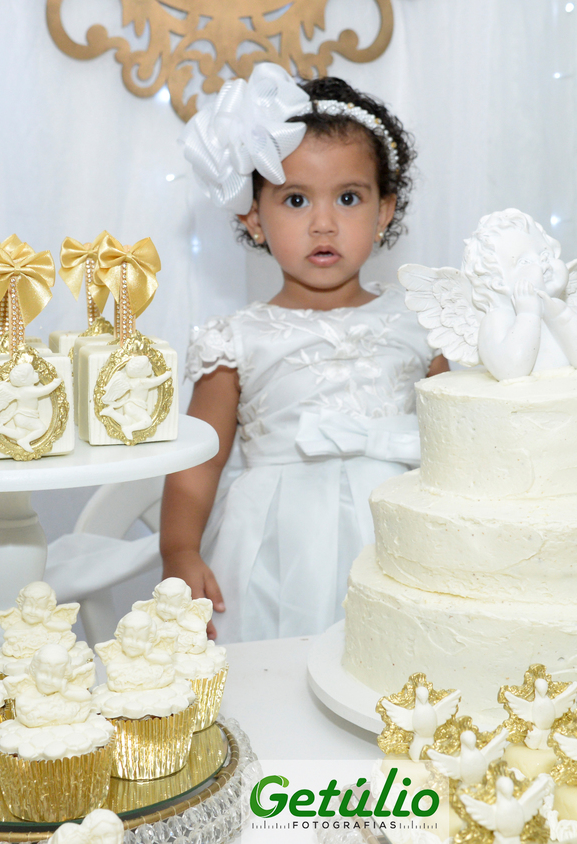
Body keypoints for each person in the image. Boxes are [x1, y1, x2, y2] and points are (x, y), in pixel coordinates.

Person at [163, 65, 448, 643]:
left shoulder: (423, 323)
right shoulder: (235, 339)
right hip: (271, 551)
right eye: (295, 200)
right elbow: (197, 463)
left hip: (401, 544)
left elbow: (456, 442)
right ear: (254, 217)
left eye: (348, 198)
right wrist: (179, 551)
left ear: (383, 211)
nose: (323, 223)